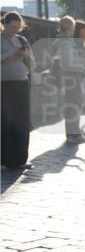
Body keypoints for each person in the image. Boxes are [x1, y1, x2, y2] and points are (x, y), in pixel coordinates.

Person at [1, 12, 34, 170]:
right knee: (4, 122)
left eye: (18, 27)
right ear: (5, 24)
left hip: (21, 82)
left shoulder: (22, 40)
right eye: (13, 27)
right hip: (3, 84)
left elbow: (32, 64)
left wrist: (25, 55)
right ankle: (3, 160)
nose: (15, 30)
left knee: (21, 121)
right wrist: (10, 54)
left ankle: (20, 159)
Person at [55, 16, 85, 141]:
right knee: (75, 105)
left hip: (70, 75)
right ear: (71, 27)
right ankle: (73, 134)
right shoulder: (66, 41)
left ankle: (73, 133)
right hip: (72, 75)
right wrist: (82, 62)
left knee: (73, 105)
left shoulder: (64, 40)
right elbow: (68, 62)